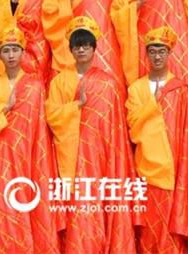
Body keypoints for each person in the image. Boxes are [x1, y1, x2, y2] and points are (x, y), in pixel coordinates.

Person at [0, 26, 62, 254]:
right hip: (0, 154)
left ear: (22, 52)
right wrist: (5, 109)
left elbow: (39, 128)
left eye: (15, 50)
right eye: (6, 50)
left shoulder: (35, 85)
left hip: (28, 155)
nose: (10, 55)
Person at [45, 17, 137, 253]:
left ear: (95, 49)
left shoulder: (108, 83)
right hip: (71, 156)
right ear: (71, 50)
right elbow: (51, 115)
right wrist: (76, 106)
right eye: (77, 46)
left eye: (86, 45)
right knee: (75, 212)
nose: (82, 49)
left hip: (101, 157)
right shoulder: (59, 81)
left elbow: (114, 128)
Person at [126, 26, 188, 254]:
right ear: (146, 55)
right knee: (148, 235)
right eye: (152, 52)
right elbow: (133, 127)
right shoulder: (137, 88)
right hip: (145, 172)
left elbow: (187, 135)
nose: (157, 56)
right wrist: (153, 103)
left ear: (169, 54)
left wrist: (184, 173)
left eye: (162, 51)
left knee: (170, 235)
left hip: (173, 172)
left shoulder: (180, 89)